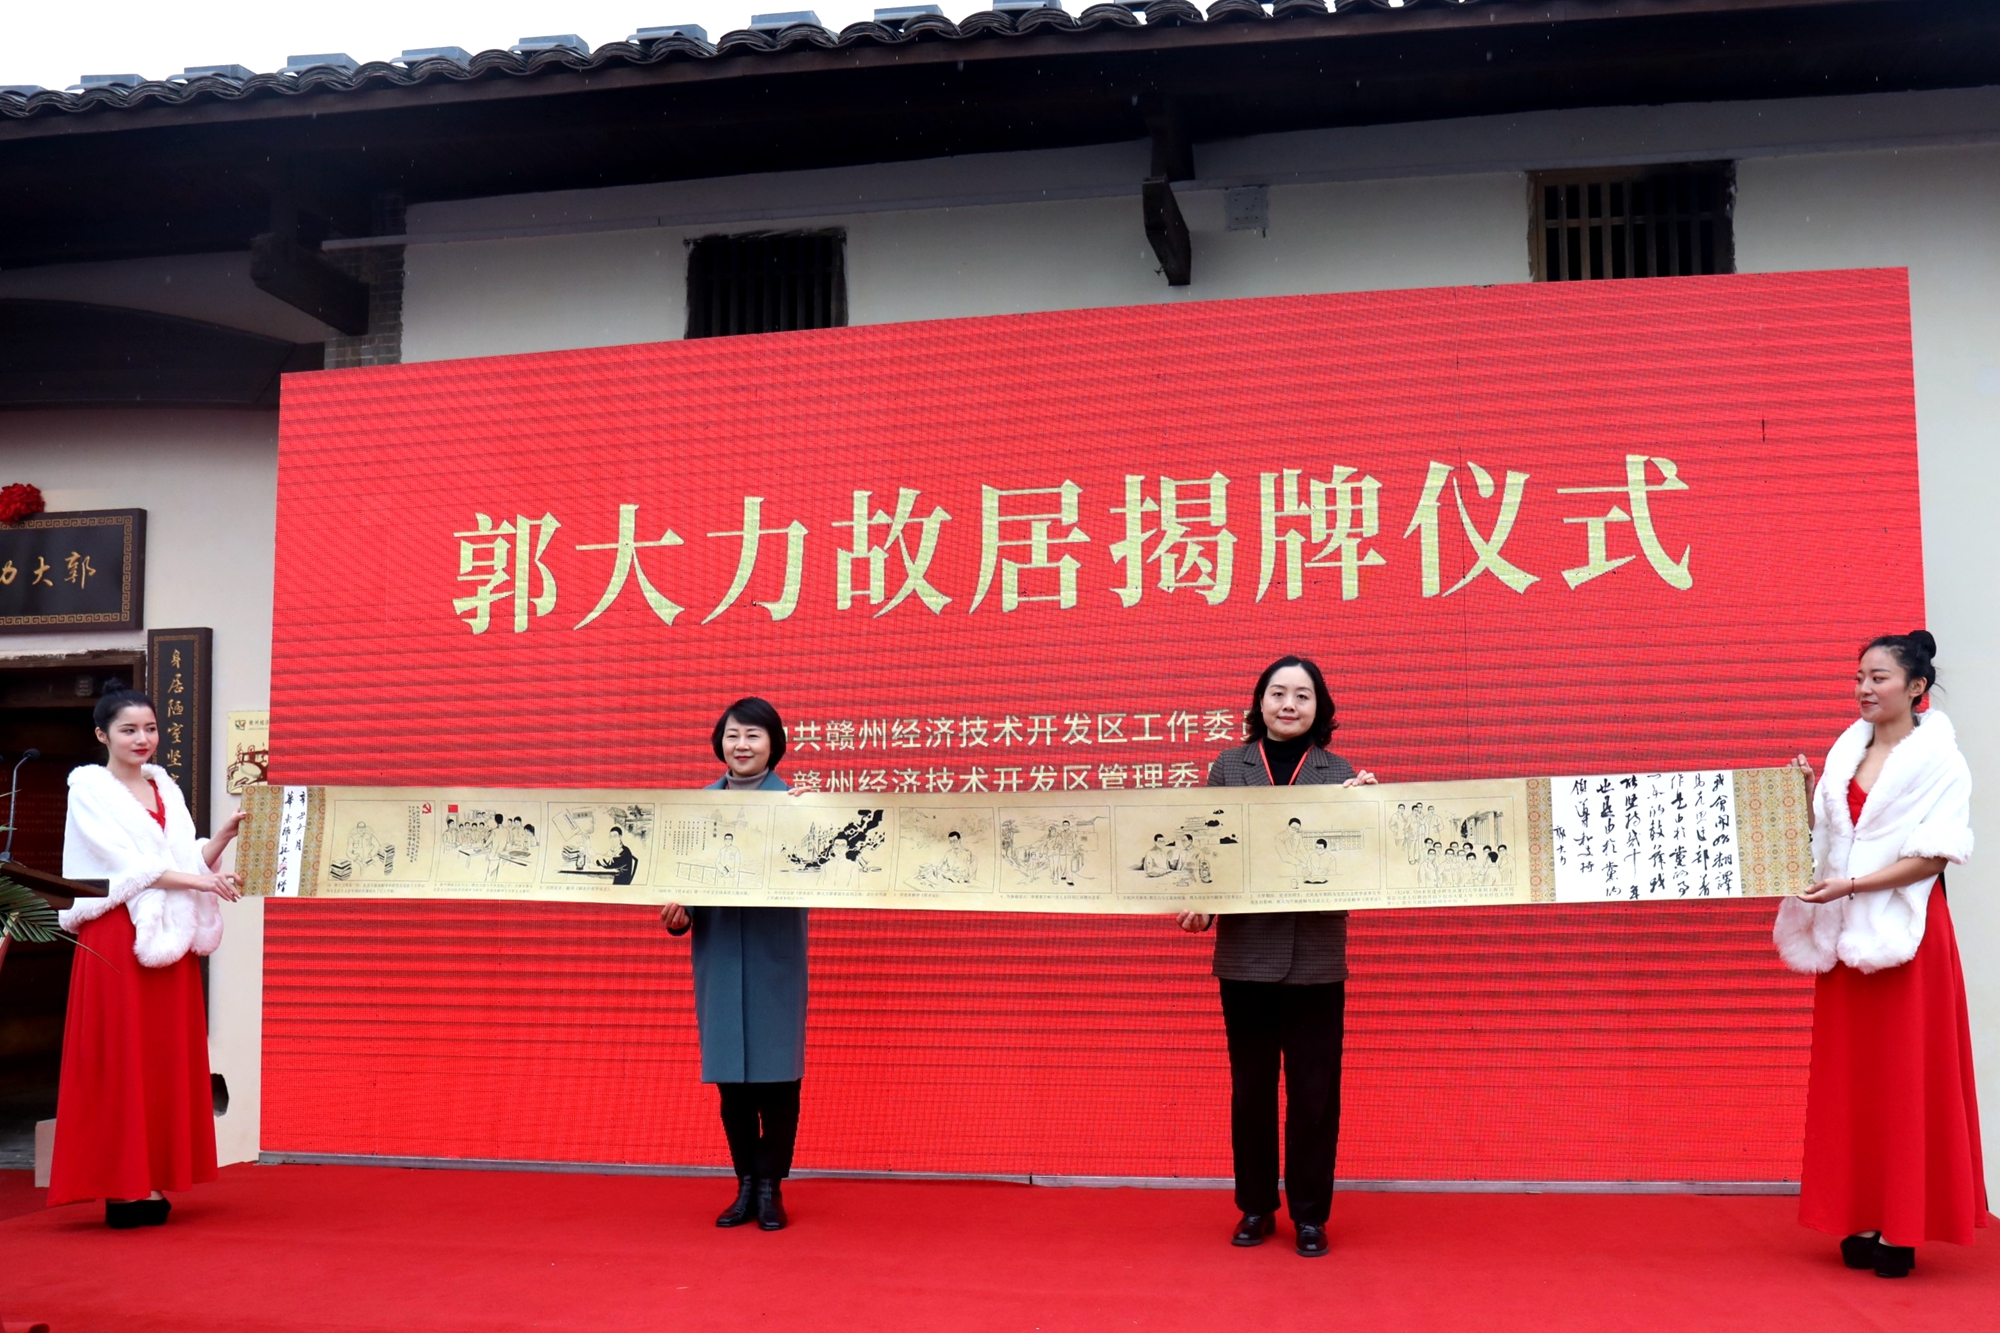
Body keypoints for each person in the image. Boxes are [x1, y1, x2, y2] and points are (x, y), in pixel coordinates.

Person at [1775, 630, 1987, 1277]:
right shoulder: (1845, 752)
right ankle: (1861, 1212)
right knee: (1854, 1080)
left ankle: (1904, 1224)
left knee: (1906, 1077)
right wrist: (1802, 796)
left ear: (1917, 687)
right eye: (1859, 677)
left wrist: (1854, 885)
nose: (1864, 688)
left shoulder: (1943, 762)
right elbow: (1826, 841)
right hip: (1844, 937)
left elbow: (1934, 856)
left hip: (1907, 935)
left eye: (1879, 677)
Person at [1178, 654, 1377, 1258]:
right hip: (1246, 953)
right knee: (1252, 1090)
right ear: (1259, 702)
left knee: (1316, 1094)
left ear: (1321, 708)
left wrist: (1371, 814)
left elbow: (1361, 862)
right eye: (1278, 693)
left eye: (1302, 695)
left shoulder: (1341, 774)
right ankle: (1256, 1206)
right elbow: (1208, 848)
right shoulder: (1228, 766)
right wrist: (1201, 904)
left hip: (1316, 954)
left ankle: (1311, 1216)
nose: (1289, 705)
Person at [48, 685, 245, 1227]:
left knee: (161, 1058)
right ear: (102, 734)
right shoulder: (89, 790)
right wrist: (202, 881)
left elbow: (182, 861)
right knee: (119, 1059)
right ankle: (121, 1187)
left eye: (150, 728)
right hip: (117, 933)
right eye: (129, 729)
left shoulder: (165, 788)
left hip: (168, 934)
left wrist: (221, 839)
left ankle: (151, 1178)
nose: (142, 739)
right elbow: (128, 870)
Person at [660, 697, 807, 1232]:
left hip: (773, 957)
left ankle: (771, 1187)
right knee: (732, 1083)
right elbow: (681, 879)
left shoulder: (798, 805)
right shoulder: (697, 807)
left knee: (778, 1081)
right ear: (720, 743)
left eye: (753, 735)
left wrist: (821, 821)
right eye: (732, 735)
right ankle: (744, 1183)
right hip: (719, 952)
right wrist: (678, 916)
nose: (741, 745)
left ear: (774, 744)